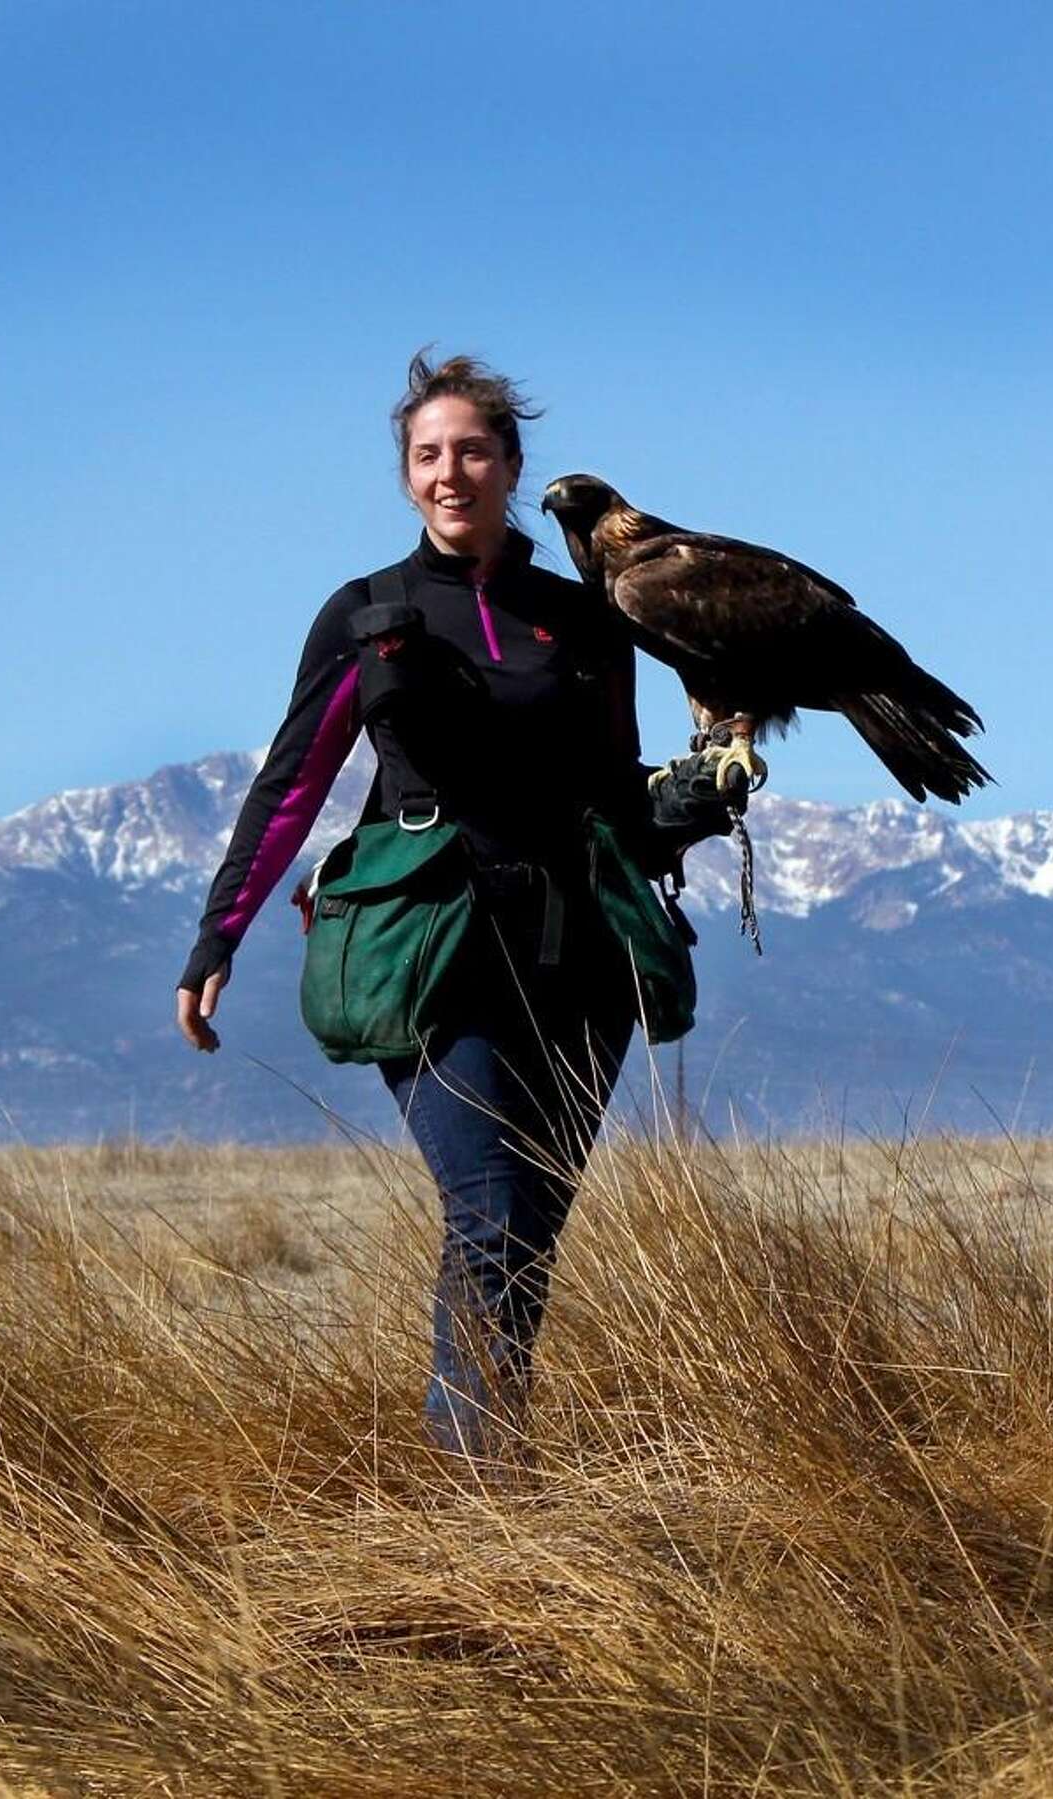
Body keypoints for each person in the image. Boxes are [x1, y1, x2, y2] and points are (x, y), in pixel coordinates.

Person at [177, 352, 734, 1462]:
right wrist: (217, 934)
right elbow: (293, 782)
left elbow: (613, 786)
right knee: (488, 1205)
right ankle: (477, 1490)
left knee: (525, 1229)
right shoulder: (367, 615)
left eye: (472, 449)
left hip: (576, 955)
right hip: (427, 945)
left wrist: (694, 800)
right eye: (428, 454)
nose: (451, 471)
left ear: (512, 465)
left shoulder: (580, 618)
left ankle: (483, 1461)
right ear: (406, 477)